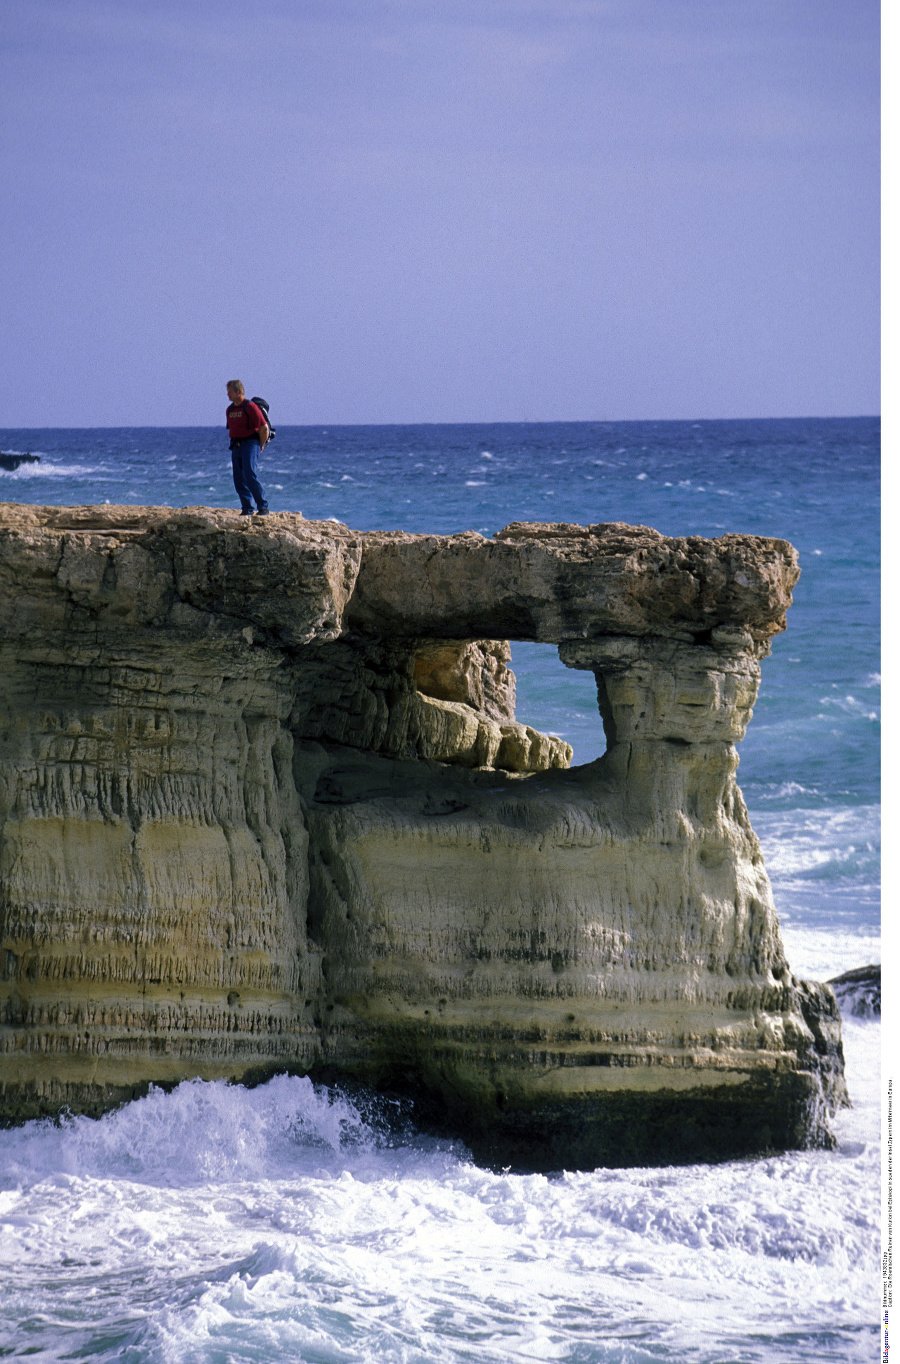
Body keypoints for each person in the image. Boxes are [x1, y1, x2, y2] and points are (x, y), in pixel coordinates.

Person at [225, 380, 269, 516]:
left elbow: (264, 428)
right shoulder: (230, 409)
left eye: (230, 391)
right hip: (236, 444)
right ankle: (247, 508)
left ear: (238, 392)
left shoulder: (250, 407)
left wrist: (261, 445)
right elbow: (231, 428)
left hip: (250, 443)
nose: (228, 394)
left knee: (250, 474)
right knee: (238, 478)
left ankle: (263, 506)